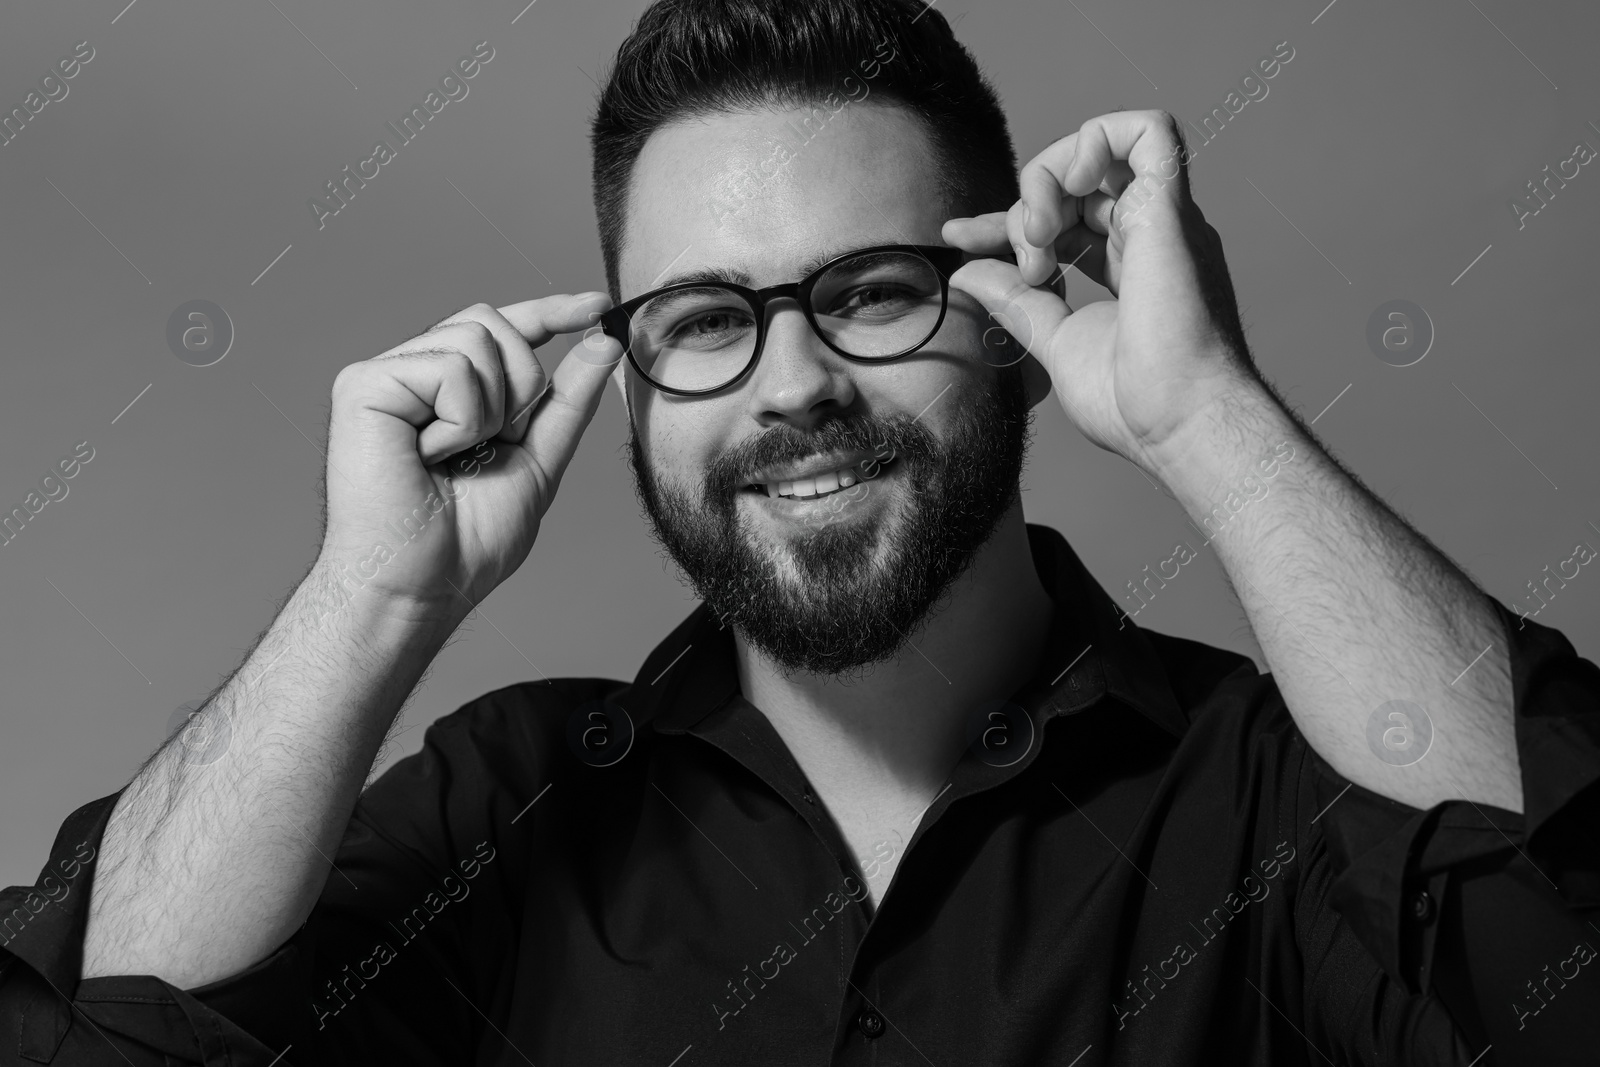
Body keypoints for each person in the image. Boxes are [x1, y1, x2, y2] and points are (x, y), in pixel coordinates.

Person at [3, 1, 1597, 1063]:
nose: (793, 385)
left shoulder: (1273, 795)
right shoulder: (508, 818)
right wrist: (367, 602)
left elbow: (1564, 969)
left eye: (872, 293)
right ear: (630, 376)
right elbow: (82, 1030)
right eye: (705, 319)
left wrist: (1211, 423)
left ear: (1011, 318)